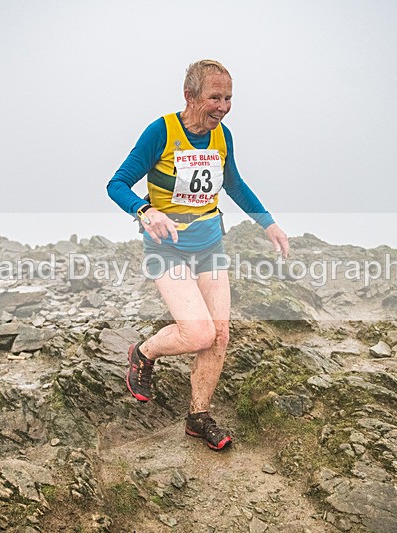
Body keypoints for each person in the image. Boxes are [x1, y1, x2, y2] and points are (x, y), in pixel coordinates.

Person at [107, 59, 290, 451]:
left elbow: (235, 184)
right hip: (167, 250)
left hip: (209, 247)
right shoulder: (162, 132)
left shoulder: (223, 136)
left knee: (219, 336)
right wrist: (145, 210)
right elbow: (117, 183)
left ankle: (198, 417)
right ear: (189, 96)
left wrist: (268, 223)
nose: (222, 107)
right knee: (199, 332)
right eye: (214, 98)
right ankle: (143, 352)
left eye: (228, 98)